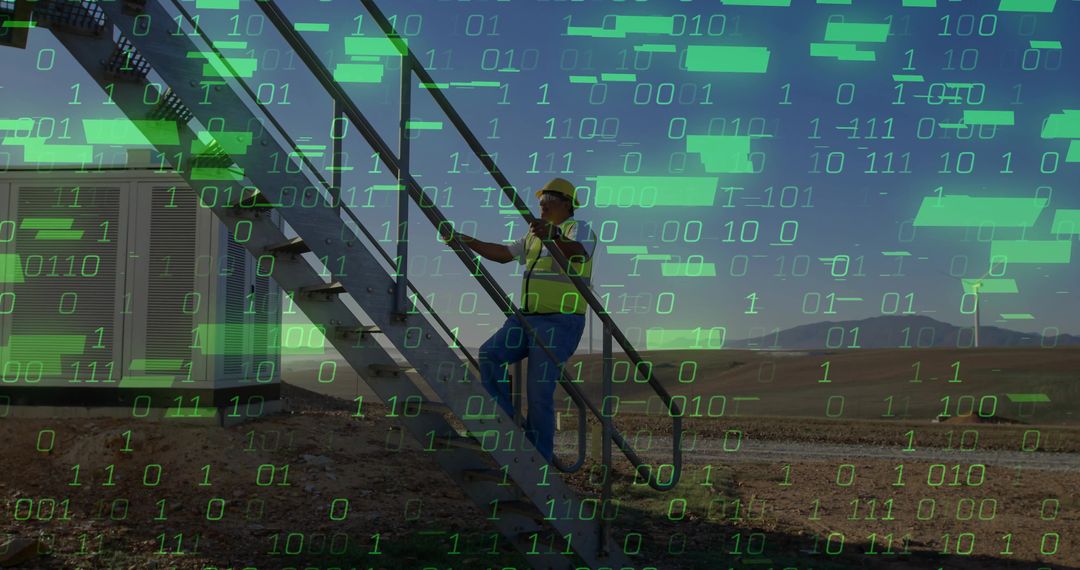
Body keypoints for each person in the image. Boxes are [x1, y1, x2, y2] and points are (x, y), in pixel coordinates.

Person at [440, 177, 597, 462]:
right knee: (489, 354)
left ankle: (538, 461)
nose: (542, 208)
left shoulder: (578, 229)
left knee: (538, 391)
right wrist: (468, 241)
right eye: (540, 204)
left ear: (566, 204)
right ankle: (504, 422)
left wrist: (554, 235)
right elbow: (503, 255)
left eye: (547, 203)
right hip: (526, 319)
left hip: (560, 322)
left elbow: (580, 250)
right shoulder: (534, 234)